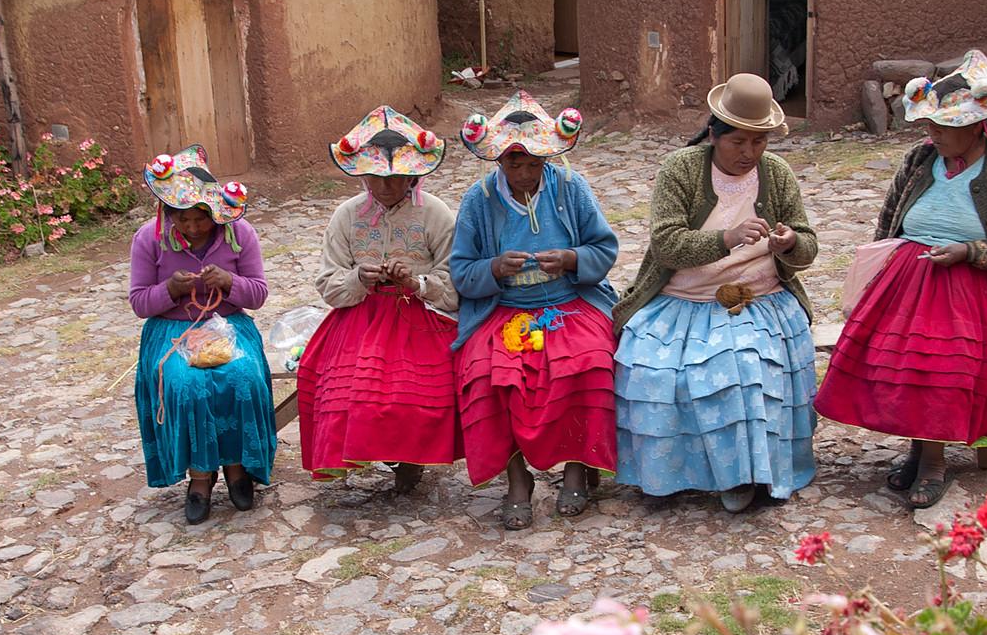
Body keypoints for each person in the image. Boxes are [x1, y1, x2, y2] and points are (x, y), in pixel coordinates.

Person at [816, 50, 987, 509]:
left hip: (976, 286)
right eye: (930, 125)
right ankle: (920, 452)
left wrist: (971, 252)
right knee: (905, 360)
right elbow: (888, 223)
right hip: (910, 280)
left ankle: (932, 464)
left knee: (942, 364)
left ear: (978, 126)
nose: (933, 134)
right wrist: (878, 275)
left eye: (945, 127)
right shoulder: (919, 159)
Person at [613, 73, 819, 511]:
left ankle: (745, 476)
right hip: (682, 300)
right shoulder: (681, 170)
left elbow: (807, 245)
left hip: (760, 300)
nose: (749, 153)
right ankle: (670, 472)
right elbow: (666, 244)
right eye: (737, 141)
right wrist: (727, 237)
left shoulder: (776, 174)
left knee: (741, 366)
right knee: (655, 374)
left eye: (759, 142)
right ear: (713, 134)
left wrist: (790, 244)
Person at [450, 93, 618, 529]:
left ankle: (578, 467)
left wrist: (571, 259)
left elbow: (604, 248)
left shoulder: (570, 188)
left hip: (570, 303)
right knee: (489, 373)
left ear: (547, 157)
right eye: (514, 164)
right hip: (503, 309)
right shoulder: (478, 200)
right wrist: (494, 268)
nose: (524, 174)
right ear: (498, 160)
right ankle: (517, 479)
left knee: (591, 361)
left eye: (533, 164)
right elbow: (461, 271)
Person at [295, 106, 459, 493]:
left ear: (413, 174)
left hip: (420, 316)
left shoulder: (436, 214)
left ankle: (409, 458)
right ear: (362, 174)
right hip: (360, 315)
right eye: (375, 176)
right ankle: (379, 453)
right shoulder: (346, 216)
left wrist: (416, 282)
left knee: (407, 387)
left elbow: (454, 285)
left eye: (396, 176)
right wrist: (358, 278)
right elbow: (328, 282)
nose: (385, 186)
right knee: (347, 384)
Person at [129, 147, 277, 524]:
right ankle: (200, 477)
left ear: (215, 212)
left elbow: (258, 294)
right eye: (184, 219)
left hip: (228, 326)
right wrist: (170, 290)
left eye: (201, 219)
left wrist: (230, 282)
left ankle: (238, 469)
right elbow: (140, 302)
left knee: (242, 377)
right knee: (185, 384)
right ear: (167, 212)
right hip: (172, 332)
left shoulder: (239, 233)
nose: (193, 228)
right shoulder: (149, 239)